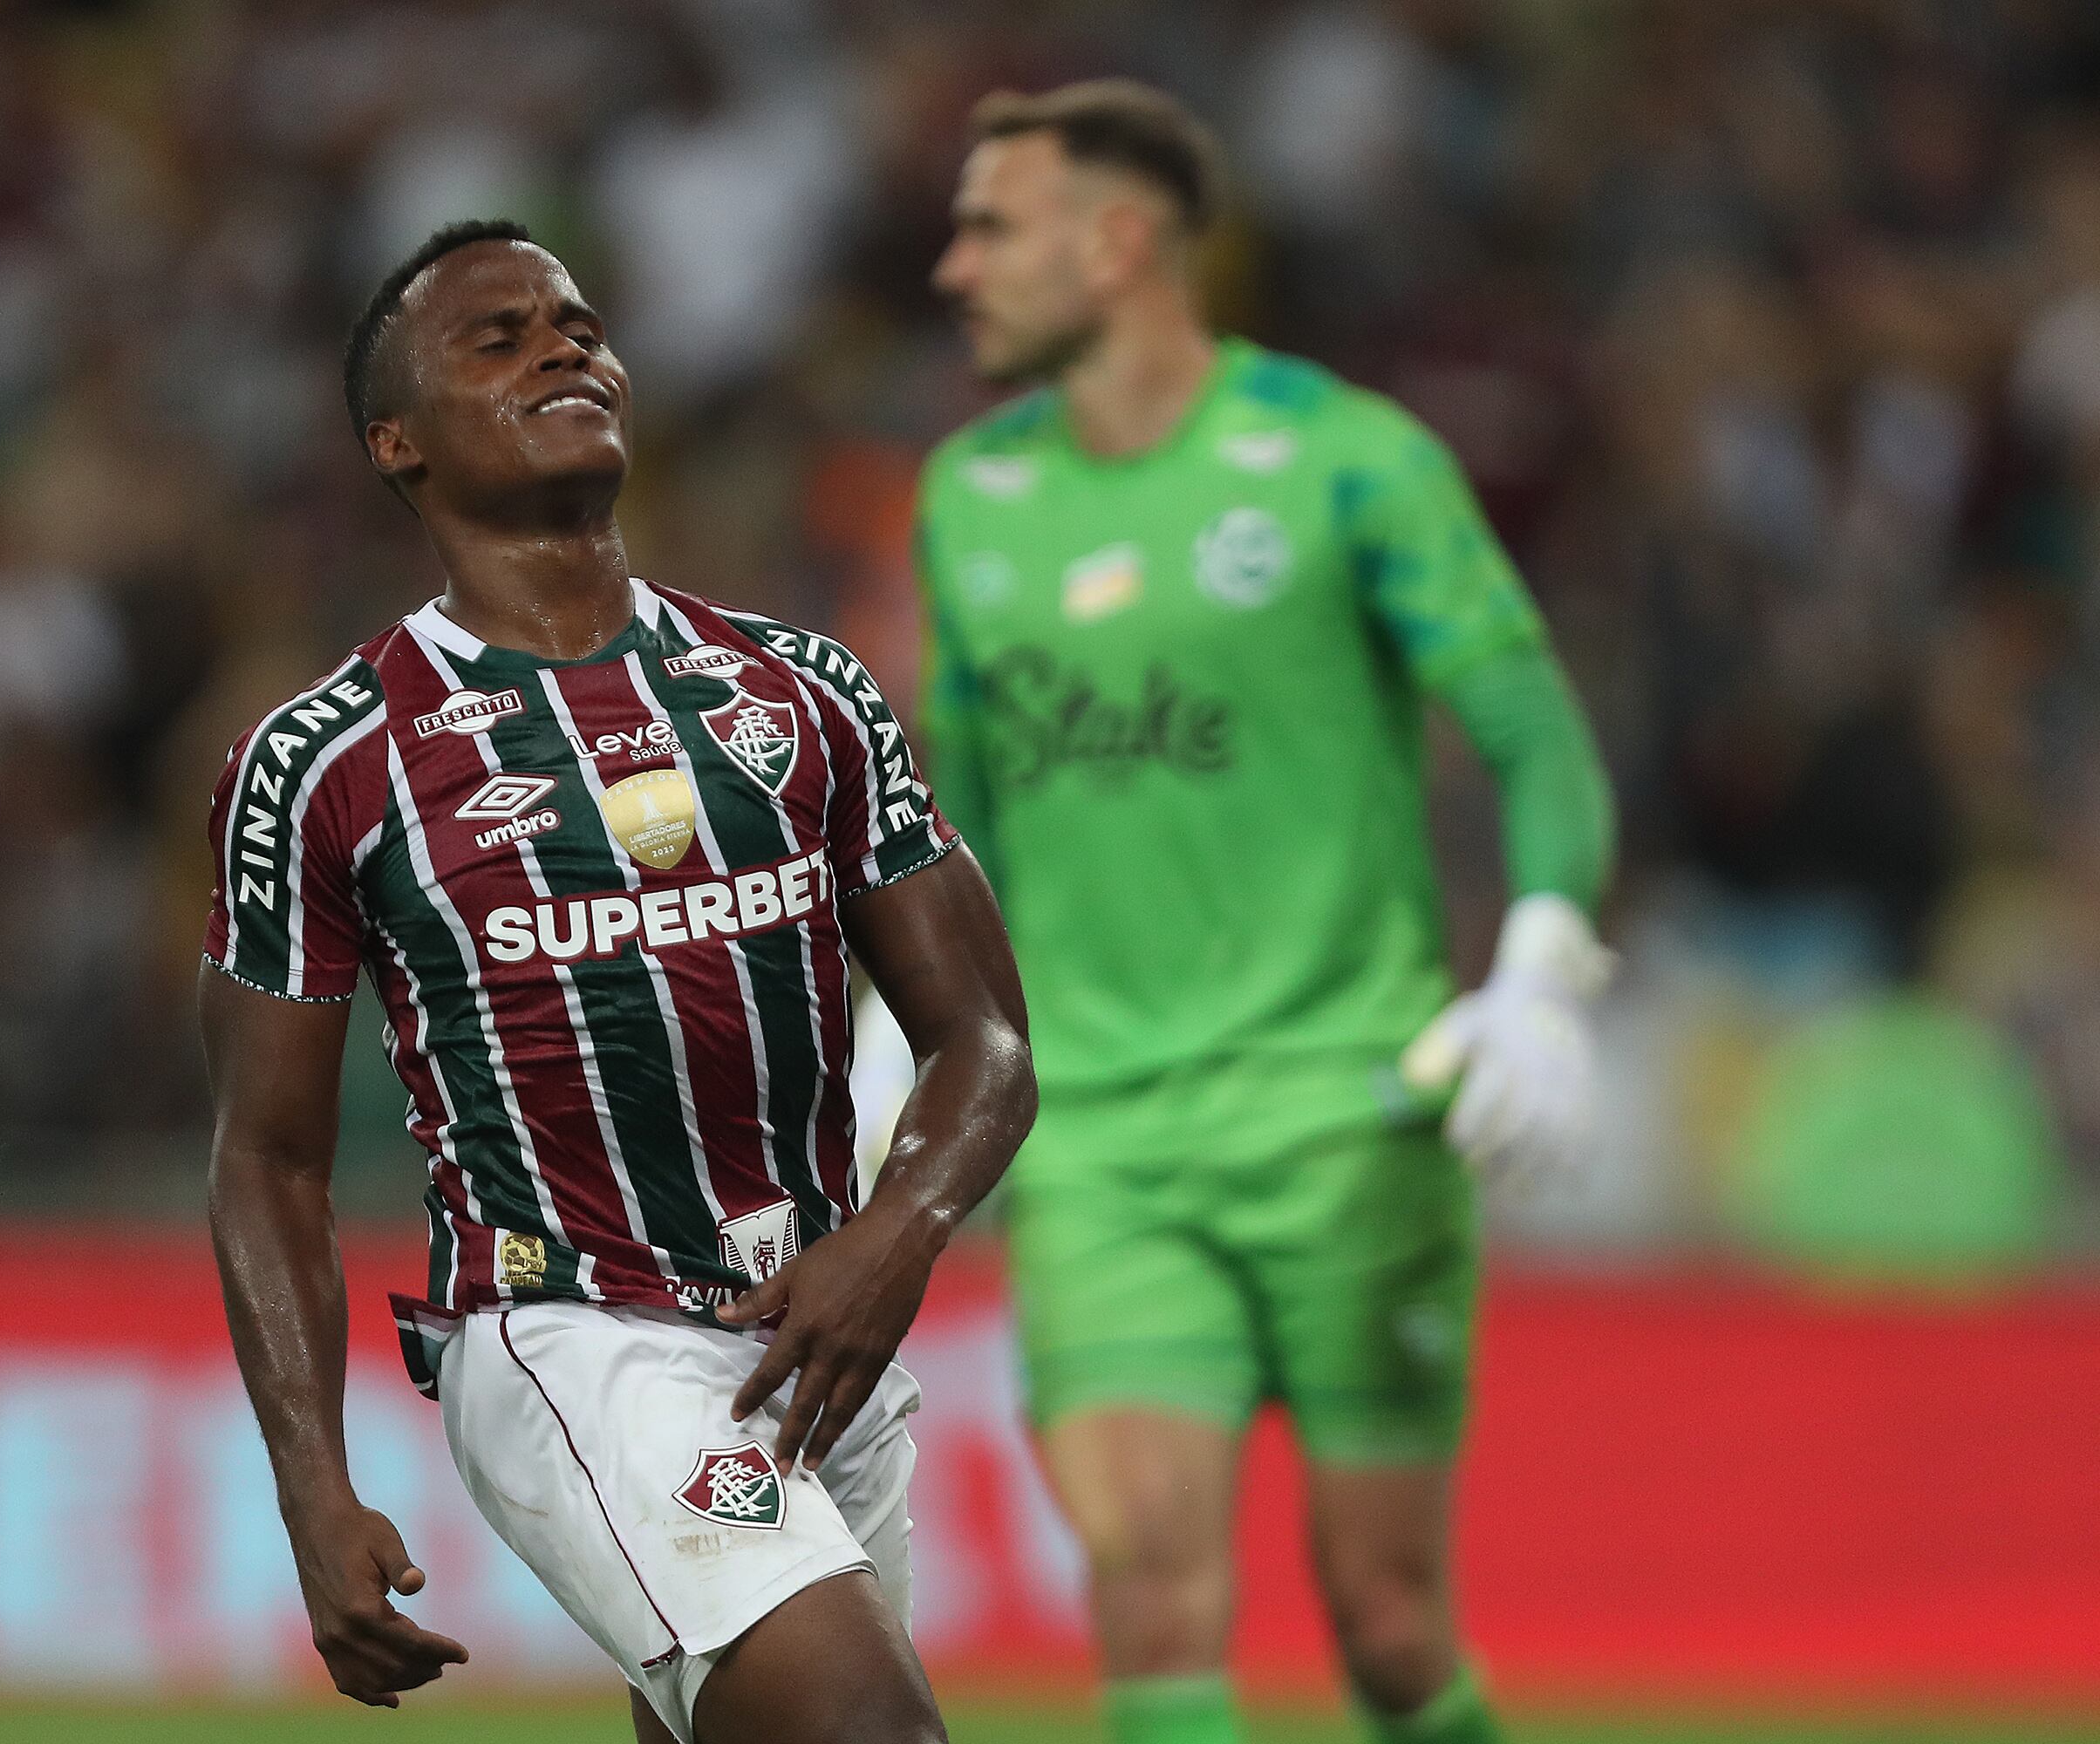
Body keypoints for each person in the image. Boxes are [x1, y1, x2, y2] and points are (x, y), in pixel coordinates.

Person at [201, 219, 1034, 1744]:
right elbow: (267, 1155)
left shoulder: (803, 690)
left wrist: (898, 1233)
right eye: (498, 337)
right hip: (571, 1336)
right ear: (400, 445)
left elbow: (982, 1035)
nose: (561, 348)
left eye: (577, 324)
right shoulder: (324, 764)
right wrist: (311, 1486)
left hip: (815, 1344)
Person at [914, 84, 1616, 1744]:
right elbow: (962, 827)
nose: (951, 268)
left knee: (1385, 1626)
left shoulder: (1346, 459)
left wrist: (1540, 977)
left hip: (1349, 1117)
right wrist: (911, 1032)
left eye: (990, 227)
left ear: (1121, 242)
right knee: (1152, 1591)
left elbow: (1536, 739)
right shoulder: (966, 498)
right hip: (1098, 1145)